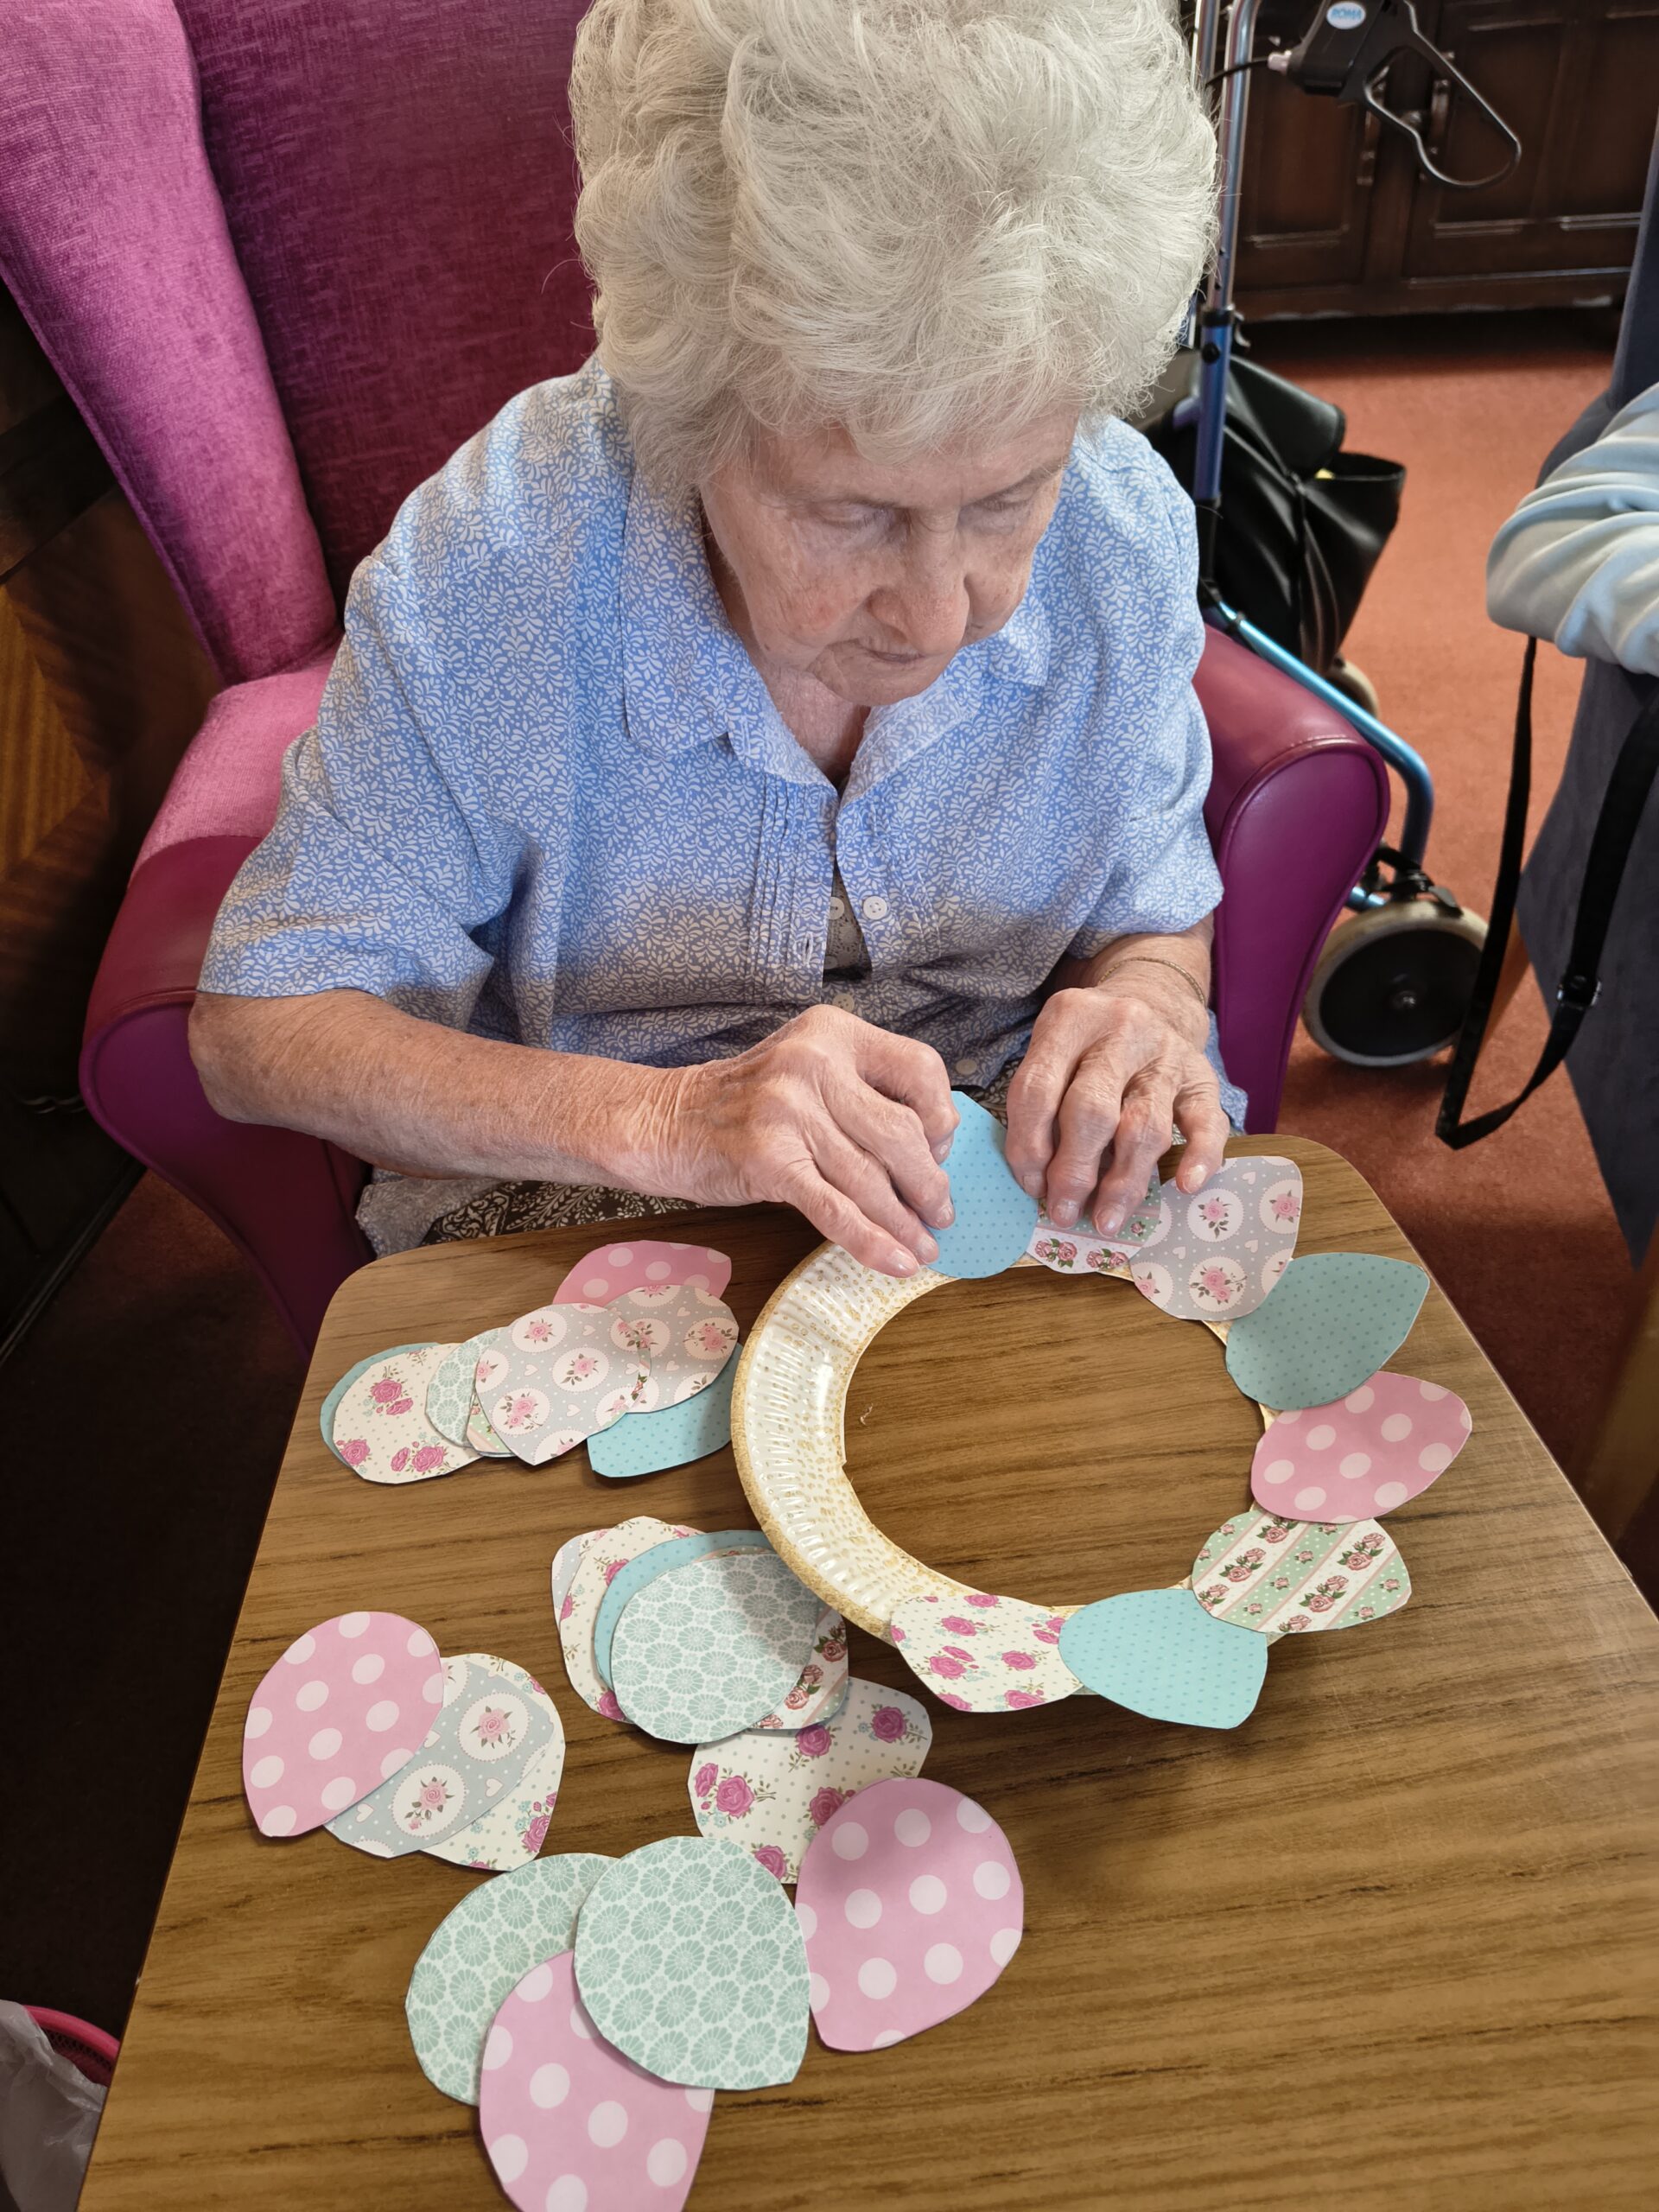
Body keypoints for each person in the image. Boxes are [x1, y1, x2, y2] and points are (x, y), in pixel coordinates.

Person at [191, 0, 1242, 1276]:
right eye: (853, 513)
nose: (943, 611)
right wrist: (672, 1120)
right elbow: (262, 1025)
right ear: (683, 416)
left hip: (1002, 1198)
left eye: (1006, 498)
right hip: (601, 1203)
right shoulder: (502, 566)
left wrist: (1148, 1002)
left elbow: (1154, 914)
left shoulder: (1119, 535)